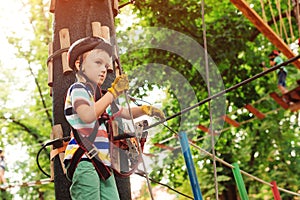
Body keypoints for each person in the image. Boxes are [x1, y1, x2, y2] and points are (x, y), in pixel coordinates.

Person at [63, 36, 165, 200]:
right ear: (78, 64)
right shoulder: (78, 90)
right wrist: (113, 92)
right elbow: (88, 115)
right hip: (84, 159)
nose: (104, 69)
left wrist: (146, 110)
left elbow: (123, 112)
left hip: (103, 164)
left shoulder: (100, 99)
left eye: (106, 65)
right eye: (98, 62)